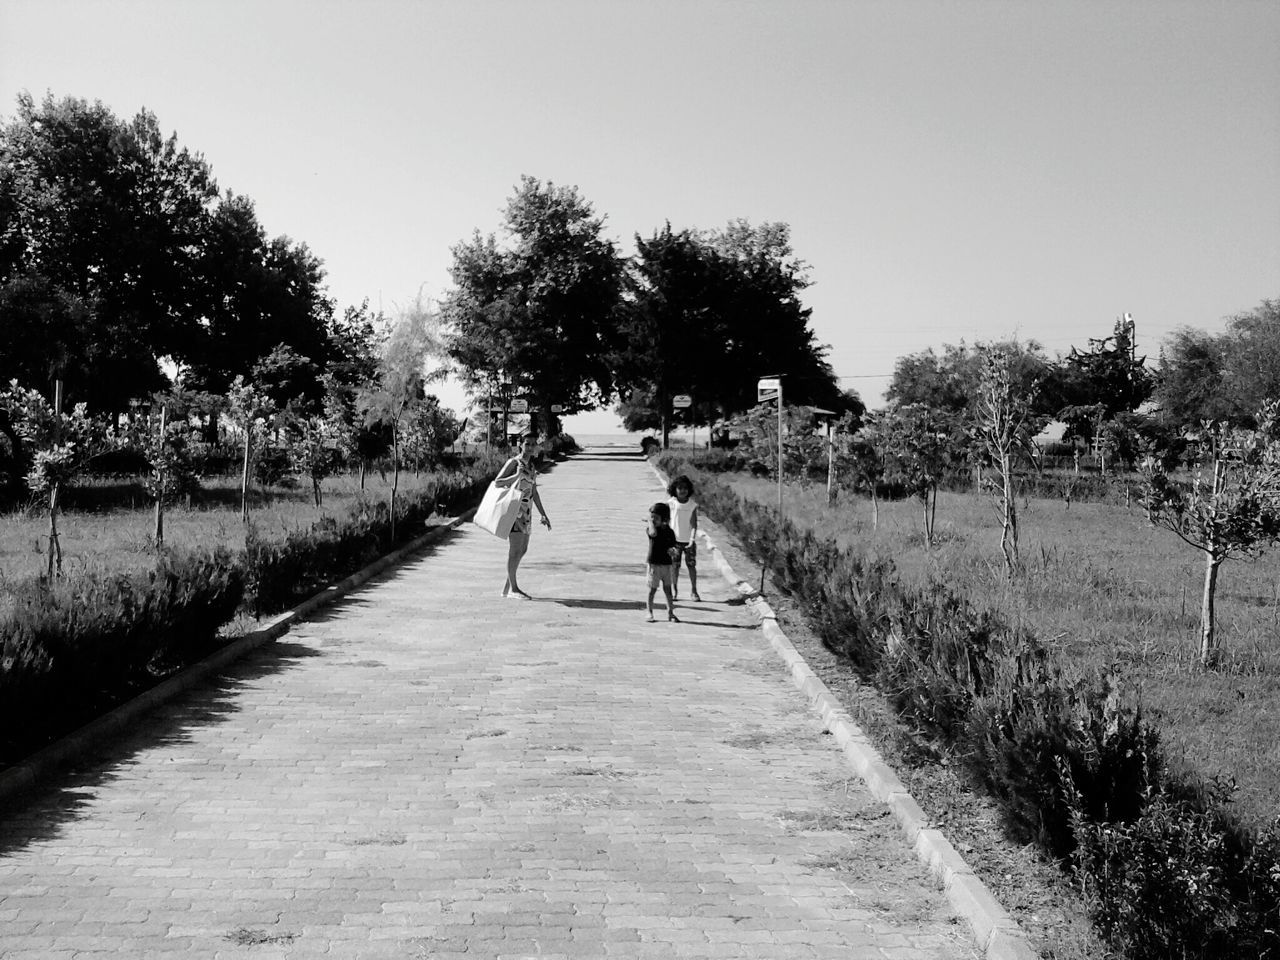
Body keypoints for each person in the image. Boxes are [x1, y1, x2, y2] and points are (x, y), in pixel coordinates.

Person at [492, 435, 551, 598]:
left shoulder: (531, 466)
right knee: (515, 550)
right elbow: (497, 482)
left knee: (523, 549)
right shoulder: (514, 463)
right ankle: (513, 589)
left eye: (533, 444)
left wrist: (543, 514)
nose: (530, 447)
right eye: (527, 444)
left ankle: (508, 585)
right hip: (514, 511)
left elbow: (534, 492)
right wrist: (516, 476)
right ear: (520, 445)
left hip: (526, 512)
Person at [667, 474, 701, 602]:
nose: (682, 491)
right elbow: (667, 521)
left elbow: (694, 524)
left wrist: (692, 540)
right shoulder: (671, 503)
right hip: (674, 542)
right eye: (680, 488)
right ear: (674, 489)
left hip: (688, 542)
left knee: (691, 566)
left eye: (685, 488)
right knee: (674, 567)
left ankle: (694, 590)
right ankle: (674, 590)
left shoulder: (692, 505)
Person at [645, 501, 679, 622]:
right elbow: (653, 534)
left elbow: (673, 546)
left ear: (664, 519)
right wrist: (650, 522)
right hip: (654, 564)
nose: (653, 520)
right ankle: (649, 612)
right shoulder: (651, 529)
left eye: (656, 517)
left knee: (668, 590)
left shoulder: (670, 532)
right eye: (652, 517)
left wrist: (673, 551)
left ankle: (670, 612)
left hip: (666, 565)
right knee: (652, 589)